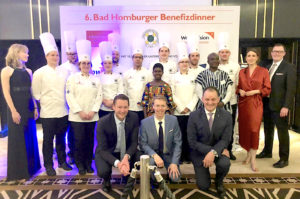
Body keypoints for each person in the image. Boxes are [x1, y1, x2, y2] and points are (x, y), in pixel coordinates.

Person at [32, 32, 72, 176]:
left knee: (62, 138)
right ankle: (49, 165)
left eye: (56, 55)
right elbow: (36, 93)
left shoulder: (65, 71)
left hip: (63, 111)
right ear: (46, 57)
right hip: (48, 112)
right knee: (48, 140)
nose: (55, 57)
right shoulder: (39, 73)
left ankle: (62, 161)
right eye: (52, 55)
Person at [1, 44, 41, 181]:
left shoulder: (28, 71)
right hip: (16, 107)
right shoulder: (6, 71)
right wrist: (13, 111)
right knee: (18, 139)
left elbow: (31, 91)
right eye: (25, 52)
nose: (28, 55)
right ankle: (19, 172)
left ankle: (31, 169)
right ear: (17, 53)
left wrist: (35, 107)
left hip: (28, 106)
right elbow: (6, 93)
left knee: (30, 137)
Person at [256, 43, 297, 168]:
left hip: (280, 106)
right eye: (274, 51)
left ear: (284, 53)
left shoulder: (289, 67)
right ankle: (267, 151)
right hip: (267, 103)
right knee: (268, 129)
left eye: (279, 52)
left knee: (282, 132)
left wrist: (286, 106)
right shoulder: (268, 67)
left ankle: (284, 158)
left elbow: (291, 89)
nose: (276, 53)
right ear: (271, 53)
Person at [66, 40, 102, 175]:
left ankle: (88, 164)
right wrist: (80, 111)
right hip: (77, 117)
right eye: (83, 63)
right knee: (78, 141)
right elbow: (70, 96)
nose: (86, 65)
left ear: (90, 65)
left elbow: (99, 96)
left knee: (89, 141)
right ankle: (79, 164)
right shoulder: (72, 78)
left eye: (88, 63)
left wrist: (93, 111)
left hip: (92, 116)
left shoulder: (95, 80)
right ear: (79, 65)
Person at [187, 86, 232, 198]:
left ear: (218, 99)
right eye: (207, 99)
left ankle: (219, 181)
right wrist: (211, 152)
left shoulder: (227, 116)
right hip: (199, 152)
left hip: (218, 150)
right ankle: (204, 174)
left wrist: (213, 153)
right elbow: (192, 142)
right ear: (202, 99)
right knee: (204, 186)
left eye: (213, 99)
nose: (210, 102)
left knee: (225, 163)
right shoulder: (194, 116)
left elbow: (225, 139)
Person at [95, 94, 140, 193]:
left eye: (125, 107)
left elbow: (134, 142)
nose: (122, 111)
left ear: (129, 107)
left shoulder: (134, 117)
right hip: (108, 151)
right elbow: (102, 149)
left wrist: (126, 157)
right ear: (113, 107)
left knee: (139, 158)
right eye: (119, 107)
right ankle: (106, 181)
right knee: (103, 171)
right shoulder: (103, 122)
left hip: (126, 150)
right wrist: (119, 164)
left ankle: (128, 176)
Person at [237, 49, 271, 172]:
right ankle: (248, 155)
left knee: (254, 129)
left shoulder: (263, 71)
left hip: (256, 103)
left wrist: (256, 91)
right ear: (245, 58)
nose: (251, 57)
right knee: (245, 130)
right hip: (244, 104)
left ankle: (253, 159)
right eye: (248, 55)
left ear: (257, 57)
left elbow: (267, 88)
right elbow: (238, 86)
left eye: (253, 55)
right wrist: (239, 90)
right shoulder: (242, 72)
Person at [139, 95, 182, 182]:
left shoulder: (173, 120)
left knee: (175, 178)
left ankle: (169, 172)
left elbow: (178, 143)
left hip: (168, 154)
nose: (160, 108)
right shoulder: (144, 123)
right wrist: (154, 155)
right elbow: (143, 144)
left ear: (166, 107)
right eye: (157, 105)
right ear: (153, 107)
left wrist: (174, 163)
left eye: (163, 106)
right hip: (153, 154)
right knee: (151, 169)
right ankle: (153, 180)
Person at [170, 42, 198, 163]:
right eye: (182, 62)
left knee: (190, 135)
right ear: (178, 64)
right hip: (178, 111)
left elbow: (197, 93)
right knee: (179, 135)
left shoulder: (194, 76)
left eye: (186, 62)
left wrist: (189, 107)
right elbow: (172, 94)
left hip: (191, 111)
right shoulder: (173, 77)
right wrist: (181, 107)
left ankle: (189, 155)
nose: (184, 64)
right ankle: (179, 156)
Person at [217, 33, 241, 160]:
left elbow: (237, 84)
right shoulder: (215, 66)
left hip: (231, 102)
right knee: (216, 127)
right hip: (216, 103)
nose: (224, 54)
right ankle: (217, 150)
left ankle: (229, 150)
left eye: (226, 52)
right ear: (219, 53)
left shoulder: (235, 66)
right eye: (222, 52)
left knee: (229, 127)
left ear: (229, 53)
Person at [60, 30, 80, 165]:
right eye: (69, 54)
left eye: (74, 54)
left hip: (82, 105)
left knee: (78, 132)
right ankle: (71, 153)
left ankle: (82, 153)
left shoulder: (82, 67)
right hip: (67, 105)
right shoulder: (62, 68)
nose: (72, 56)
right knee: (70, 133)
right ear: (66, 55)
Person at [123, 39, 151, 122]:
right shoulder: (127, 74)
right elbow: (124, 91)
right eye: (136, 57)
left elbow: (149, 91)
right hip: (130, 108)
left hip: (144, 109)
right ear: (132, 58)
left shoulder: (148, 73)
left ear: (142, 59)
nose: (137, 59)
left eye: (139, 57)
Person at [99, 41, 124, 118]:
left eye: (109, 63)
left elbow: (120, 91)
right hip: (102, 108)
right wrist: (104, 101)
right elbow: (97, 92)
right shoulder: (98, 77)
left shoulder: (118, 77)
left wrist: (113, 103)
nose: (107, 65)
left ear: (112, 64)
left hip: (116, 108)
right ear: (102, 64)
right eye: (105, 63)